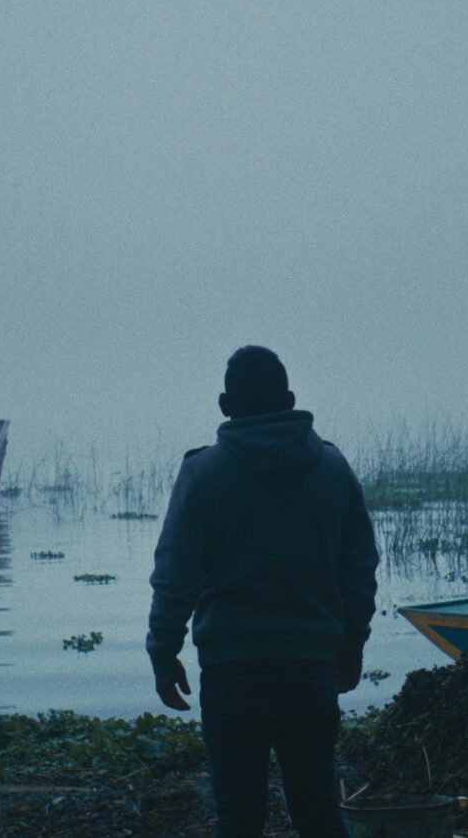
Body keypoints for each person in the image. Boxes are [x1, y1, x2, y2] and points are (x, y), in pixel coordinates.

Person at [146, 345, 380, 838]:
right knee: (319, 814)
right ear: (290, 401)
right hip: (310, 670)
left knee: (238, 817)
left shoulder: (202, 474)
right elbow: (359, 570)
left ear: (224, 405)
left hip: (232, 674)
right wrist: (352, 644)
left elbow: (175, 577)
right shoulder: (333, 468)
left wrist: (163, 651)